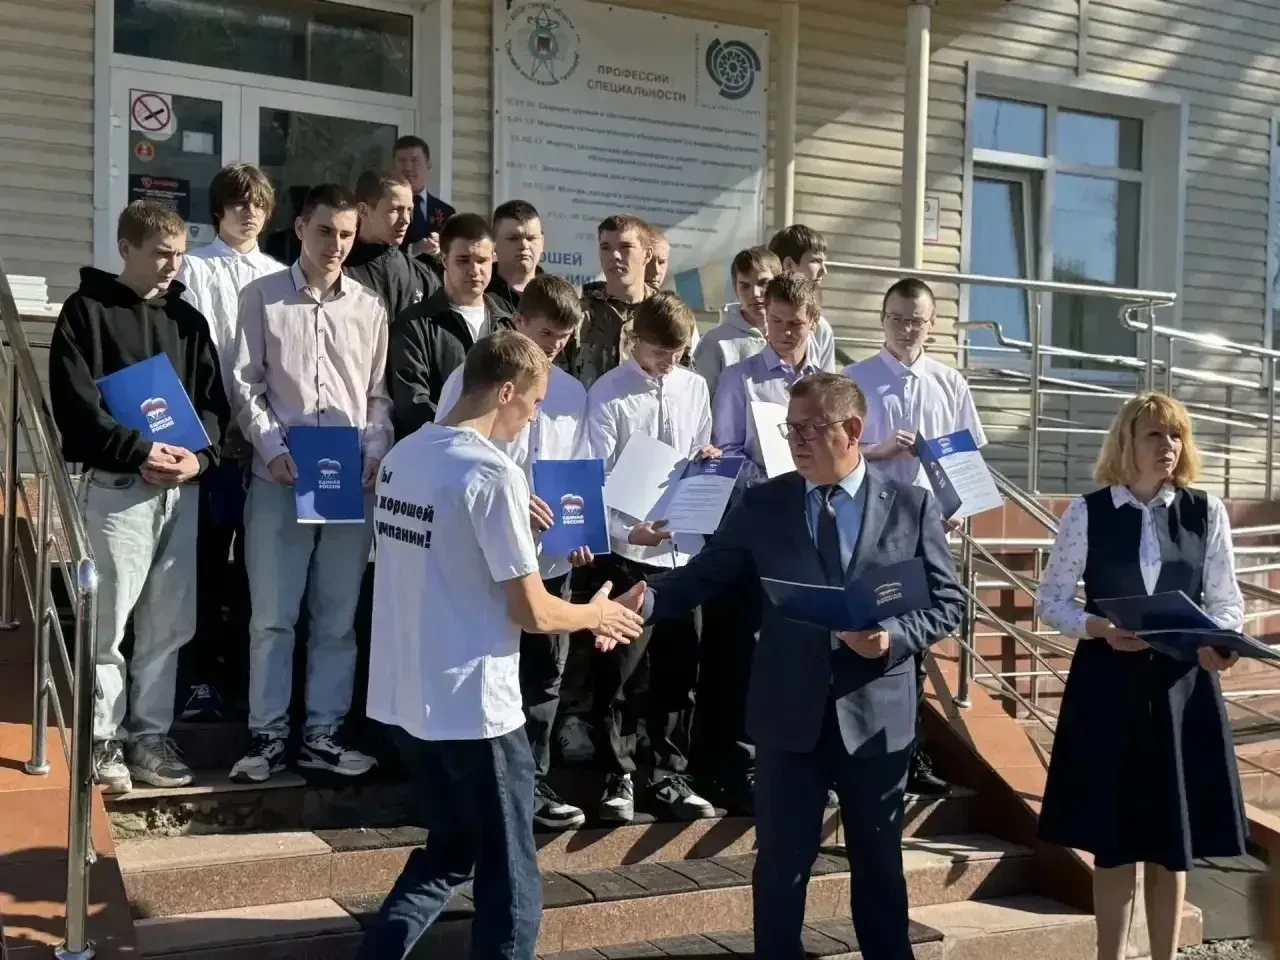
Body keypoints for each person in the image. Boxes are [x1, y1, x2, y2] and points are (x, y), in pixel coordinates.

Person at [621, 372, 964, 959]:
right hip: (788, 716)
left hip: (876, 719)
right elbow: (704, 576)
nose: (796, 441)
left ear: (852, 429)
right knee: (781, 867)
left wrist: (893, 638)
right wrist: (645, 600)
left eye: (809, 429)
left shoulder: (911, 505)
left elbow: (948, 601)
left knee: (879, 867)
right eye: (790, 429)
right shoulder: (765, 503)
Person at [359, 329, 644, 960]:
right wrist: (596, 613)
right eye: (536, 403)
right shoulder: (492, 473)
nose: (535, 417)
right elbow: (532, 609)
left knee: (452, 851)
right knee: (513, 879)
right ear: (507, 392)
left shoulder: (405, 454)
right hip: (474, 706)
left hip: (407, 699)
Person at [1035, 392, 1247, 960]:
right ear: (1126, 442)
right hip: (1107, 688)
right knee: (1113, 841)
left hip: (1182, 691)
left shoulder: (1206, 510)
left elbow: (1227, 602)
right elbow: (1050, 601)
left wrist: (1220, 644)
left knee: (1170, 842)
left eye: (1177, 435)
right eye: (1155, 434)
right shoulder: (1086, 512)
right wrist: (1096, 627)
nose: (1168, 446)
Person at [50, 200, 228, 792]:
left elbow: (212, 406)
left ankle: (150, 737)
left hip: (181, 491)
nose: (172, 265)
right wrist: (138, 451)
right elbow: (76, 407)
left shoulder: (188, 321)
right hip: (117, 490)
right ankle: (103, 740)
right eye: (160, 254)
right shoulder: (86, 312)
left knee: (167, 627)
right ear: (125, 248)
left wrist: (199, 457)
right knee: (108, 624)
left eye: (179, 254)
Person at [229, 183, 392, 783]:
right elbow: (245, 385)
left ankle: (323, 734)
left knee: (337, 618)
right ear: (300, 228)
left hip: (348, 481)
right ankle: (267, 737)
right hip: (279, 477)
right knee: (272, 618)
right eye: (325, 231)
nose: (336, 244)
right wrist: (271, 449)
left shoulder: (370, 307)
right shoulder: (262, 296)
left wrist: (376, 452)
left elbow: (377, 396)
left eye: (347, 234)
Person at [433, 276, 590, 830]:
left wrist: (580, 531)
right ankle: (471, 784)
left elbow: (578, 470)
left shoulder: (572, 392)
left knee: (545, 676)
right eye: (546, 335)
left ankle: (532, 781)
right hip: (489, 558)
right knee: (487, 668)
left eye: (564, 339)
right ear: (518, 322)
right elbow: (451, 450)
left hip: (549, 558)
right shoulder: (472, 378)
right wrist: (514, 502)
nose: (555, 348)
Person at [845, 277, 986, 798]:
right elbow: (837, 453)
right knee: (867, 636)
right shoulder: (856, 379)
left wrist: (961, 509)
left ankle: (911, 754)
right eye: (898, 319)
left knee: (918, 643)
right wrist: (879, 450)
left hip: (930, 530)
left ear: (933, 325)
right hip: (871, 528)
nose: (907, 329)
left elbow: (966, 459)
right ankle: (859, 754)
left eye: (917, 321)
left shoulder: (949, 382)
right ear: (883, 320)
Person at [582, 291, 718, 822]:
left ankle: (669, 773)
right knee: (619, 670)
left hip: (684, 552)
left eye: (679, 353)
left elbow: (701, 449)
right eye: (661, 352)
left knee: (681, 670)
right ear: (635, 339)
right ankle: (617, 776)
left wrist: (708, 458)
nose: (670, 362)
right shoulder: (608, 392)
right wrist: (625, 530)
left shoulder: (694, 386)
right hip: (629, 551)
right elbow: (596, 474)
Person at [176, 163, 284, 721]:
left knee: (260, 568)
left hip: (269, 440)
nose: (249, 212)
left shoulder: (280, 274)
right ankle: (199, 678)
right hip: (212, 436)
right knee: (205, 561)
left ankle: (249, 681)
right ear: (218, 209)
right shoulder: (193, 268)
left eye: (258, 203)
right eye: (239, 203)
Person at [389, 214, 513, 440]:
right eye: (463, 260)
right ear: (444, 260)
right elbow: (412, 405)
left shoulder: (508, 325)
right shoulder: (414, 325)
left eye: (482, 260)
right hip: (435, 452)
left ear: (493, 259)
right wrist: (466, 434)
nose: (474, 270)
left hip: (497, 451)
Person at [713, 274, 830, 487]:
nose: (785, 331)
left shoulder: (824, 385)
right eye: (776, 321)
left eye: (795, 323)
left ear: (814, 322)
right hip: (757, 498)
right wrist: (771, 486)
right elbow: (726, 450)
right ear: (766, 316)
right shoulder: (738, 379)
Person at [571, 214, 656, 389]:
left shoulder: (664, 314)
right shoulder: (577, 313)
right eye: (605, 248)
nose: (614, 255)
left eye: (625, 247)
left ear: (647, 255)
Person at [345, 170, 441, 323]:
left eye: (409, 210)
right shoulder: (340, 272)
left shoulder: (423, 277)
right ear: (363, 210)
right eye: (395, 209)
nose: (406, 219)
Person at [692, 247, 780, 399]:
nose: (755, 293)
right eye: (745, 286)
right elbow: (700, 403)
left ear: (779, 283)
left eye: (763, 283)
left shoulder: (795, 335)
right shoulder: (715, 342)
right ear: (735, 289)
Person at [767, 224, 837, 370]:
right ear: (789, 265)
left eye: (796, 323)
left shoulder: (821, 329)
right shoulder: (750, 324)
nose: (824, 271)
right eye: (816, 261)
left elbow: (827, 380)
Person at [393, 135, 456, 260]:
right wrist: (413, 249)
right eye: (402, 160)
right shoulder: (385, 209)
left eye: (415, 160)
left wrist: (439, 249)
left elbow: (455, 254)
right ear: (394, 166)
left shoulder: (446, 212)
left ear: (428, 164)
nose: (408, 167)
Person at [486, 200, 545, 314]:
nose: (524, 245)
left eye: (531, 238)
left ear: (542, 242)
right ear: (493, 243)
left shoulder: (558, 296)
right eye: (513, 238)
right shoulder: (479, 295)